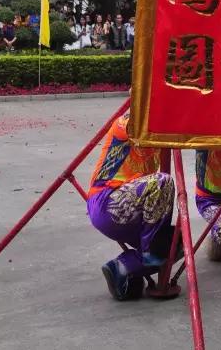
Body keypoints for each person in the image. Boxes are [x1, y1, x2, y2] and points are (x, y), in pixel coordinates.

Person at [87, 108, 175, 300]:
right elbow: (134, 127)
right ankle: (150, 253)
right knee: (162, 181)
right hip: (107, 201)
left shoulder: (162, 135)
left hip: (136, 210)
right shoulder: (125, 121)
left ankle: (123, 268)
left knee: (178, 242)